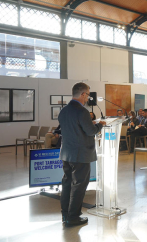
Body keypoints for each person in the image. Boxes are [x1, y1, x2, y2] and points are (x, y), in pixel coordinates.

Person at [58, 82, 106, 226]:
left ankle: (65, 215)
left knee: (67, 184)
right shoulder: (82, 111)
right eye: (88, 95)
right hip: (81, 155)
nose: (88, 98)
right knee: (79, 186)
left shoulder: (64, 110)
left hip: (66, 154)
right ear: (83, 94)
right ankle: (73, 217)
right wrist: (100, 125)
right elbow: (91, 131)